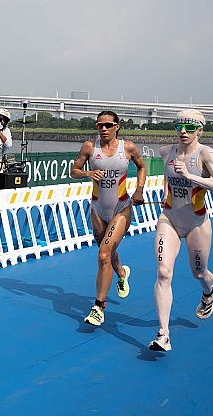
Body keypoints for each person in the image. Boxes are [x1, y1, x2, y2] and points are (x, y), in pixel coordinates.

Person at [149, 109, 213, 351]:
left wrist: (190, 176)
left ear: (200, 131)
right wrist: (165, 192)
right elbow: (167, 179)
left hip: (197, 223)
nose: (183, 131)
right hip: (169, 219)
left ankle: (209, 292)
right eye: (179, 127)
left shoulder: (205, 154)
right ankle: (163, 334)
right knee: (163, 273)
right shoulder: (166, 151)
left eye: (190, 128)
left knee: (199, 273)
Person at [70, 110, 147, 326]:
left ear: (117, 127)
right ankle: (122, 273)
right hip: (97, 209)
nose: (103, 129)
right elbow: (74, 171)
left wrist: (139, 190)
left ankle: (98, 307)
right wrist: (87, 173)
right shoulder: (89, 147)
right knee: (107, 252)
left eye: (108, 125)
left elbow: (142, 167)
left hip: (122, 208)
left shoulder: (128, 148)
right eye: (99, 125)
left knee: (104, 254)